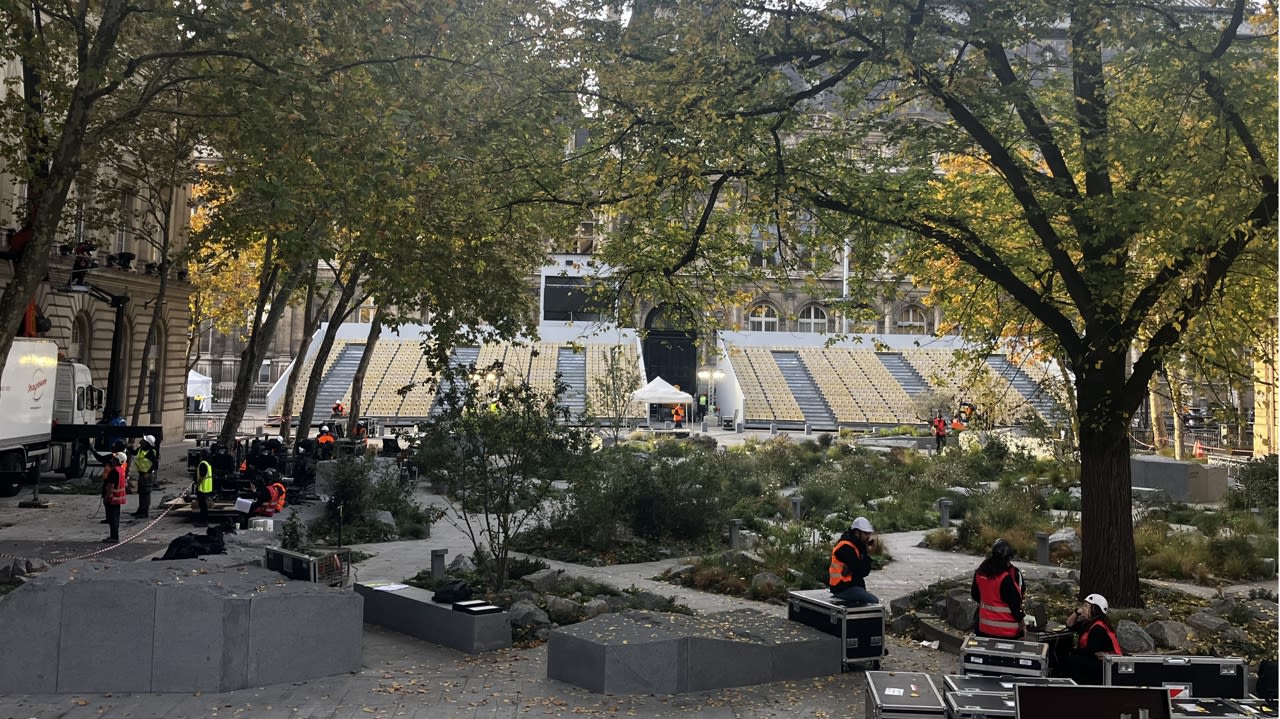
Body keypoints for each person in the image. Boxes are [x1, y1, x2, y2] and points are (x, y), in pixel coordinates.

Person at [1057, 593, 1122, 685]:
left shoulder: (1098, 628)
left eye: (1086, 606)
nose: (1083, 608)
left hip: (1105, 665)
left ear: (1095, 609)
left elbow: (1090, 651)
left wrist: (1072, 652)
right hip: (1095, 659)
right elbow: (1069, 625)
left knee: (1070, 660)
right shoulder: (1089, 622)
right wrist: (1077, 612)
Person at [970, 538, 1026, 638]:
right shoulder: (1004, 578)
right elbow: (1015, 605)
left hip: (984, 628)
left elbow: (975, 595)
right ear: (1006, 559)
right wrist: (1022, 625)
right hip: (1007, 631)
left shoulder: (980, 574)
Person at [828, 516, 878, 605]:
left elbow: (864, 571)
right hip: (842, 587)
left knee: (866, 601)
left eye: (869, 533)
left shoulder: (857, 545)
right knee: (873, 602)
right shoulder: (845, 547)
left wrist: (865, 552)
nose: (868, 537)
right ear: (857, 533)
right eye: (866, 533)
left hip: (850, 586)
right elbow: (861, 571)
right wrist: (866, 554)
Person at [101, 451, 127, 543]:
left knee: (112, 519)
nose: (112, 460)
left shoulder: (114, 471)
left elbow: (110, 487)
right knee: (116, 517)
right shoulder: (121, 470)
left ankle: (114, 537)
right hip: (118, 498)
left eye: (114, 459)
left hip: (112, 498)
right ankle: (114, 536)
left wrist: (106, 497)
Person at [131, 435, 158, 518]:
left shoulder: (150, 452)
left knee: (146, 493)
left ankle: (144, 511)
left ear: (147, 443)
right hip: (141, 473)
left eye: (143, 440)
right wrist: (129, 448)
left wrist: (148, 472)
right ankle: (140, 510)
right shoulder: (140, 449)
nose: (141, 441)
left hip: (147, 475)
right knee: (141, 492)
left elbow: (155, 464)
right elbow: (134, 453)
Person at [194, 452, 214, 527]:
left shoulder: (203, 464)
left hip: (202, 488)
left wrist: (197, 485)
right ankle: (203, 520)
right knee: (204, 506)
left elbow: (202, 476)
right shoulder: (208, 463)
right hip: (207, 488)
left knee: (202, 506)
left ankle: (203, 521)